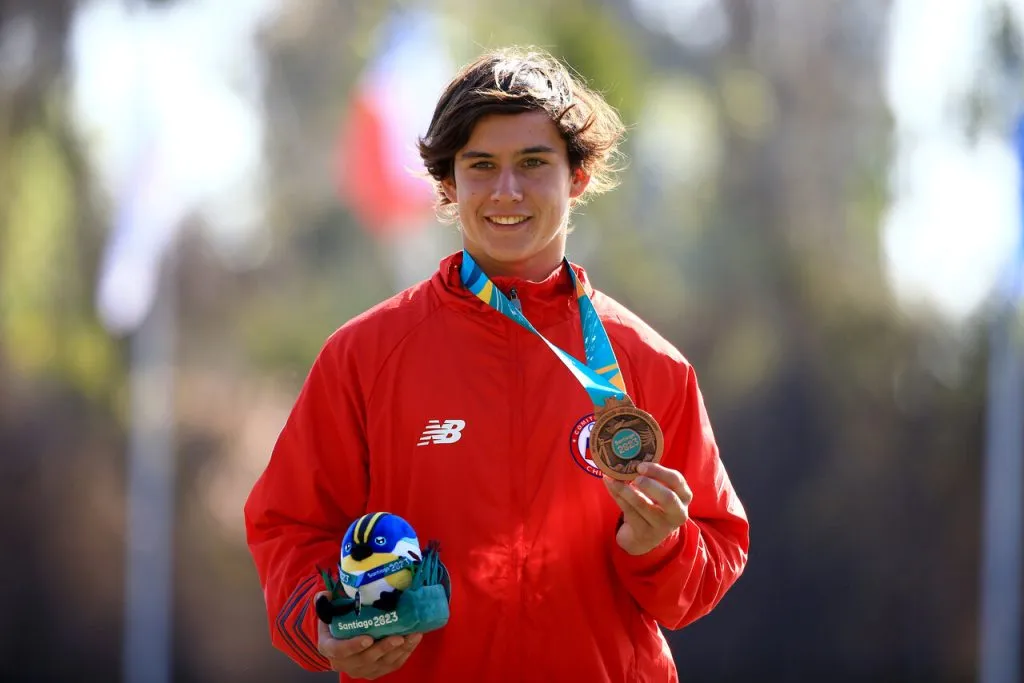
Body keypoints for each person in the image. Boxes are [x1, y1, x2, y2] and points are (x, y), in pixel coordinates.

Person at [244, 46, 749, 682]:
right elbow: (288, 524)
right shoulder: (364, 356)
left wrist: (659, 546)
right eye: (481, 166)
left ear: (579, 177)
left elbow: (705, 568)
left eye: (533, 163)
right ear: (449, 185)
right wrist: (324, 620)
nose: (506, 190)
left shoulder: (652, 366)